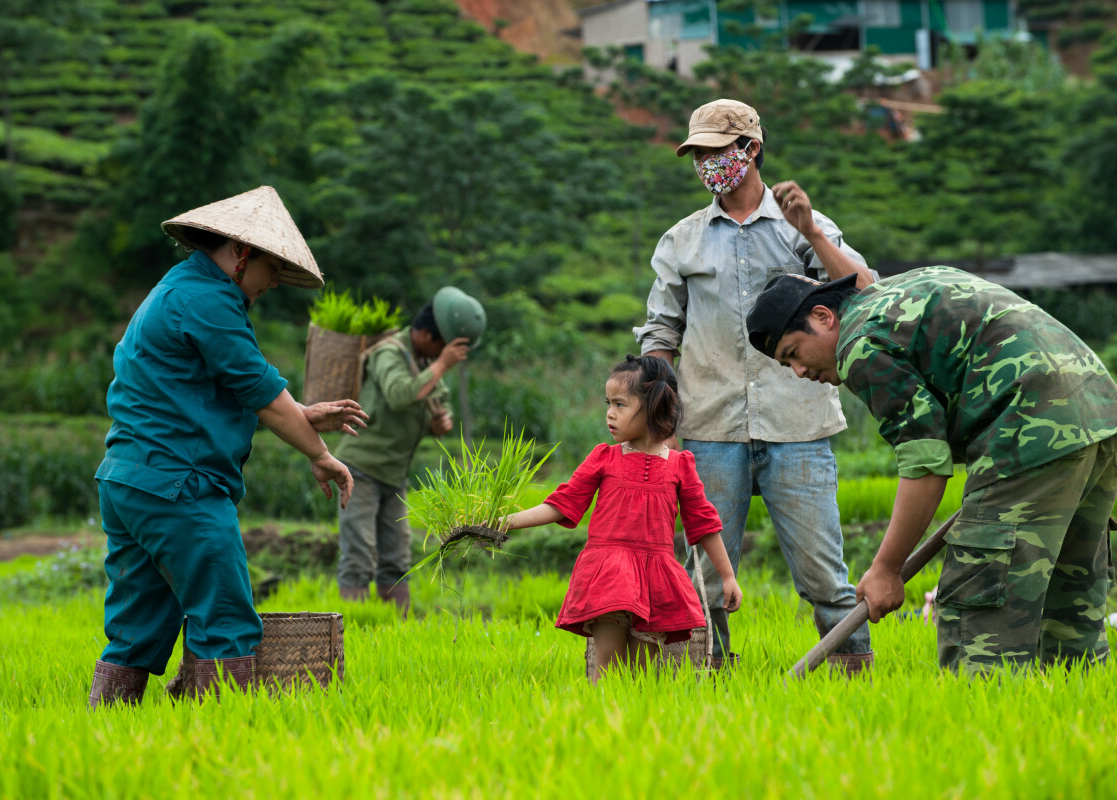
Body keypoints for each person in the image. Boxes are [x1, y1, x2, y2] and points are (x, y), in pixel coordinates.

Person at [747, 266, 1117, 673]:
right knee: (1070, 603)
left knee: (979, 616)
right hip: (1098, 413)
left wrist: (886, 569)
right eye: (787, 367)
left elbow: (926, 464)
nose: (800, 372)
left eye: (793, 354)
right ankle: (1071, 716)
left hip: (1028, 429)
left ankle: (986, 729)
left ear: (822, 316)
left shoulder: (860, 345)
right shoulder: (898, 294)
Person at [87, 186, 367, 707]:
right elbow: (261, 393)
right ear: (241, 253)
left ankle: (104, 728)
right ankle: (223, 746)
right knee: (226, 618)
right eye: (272, 269)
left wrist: (301, 415)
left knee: (136, 626)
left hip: (130, 480)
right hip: (181, 485)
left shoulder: (177, 288)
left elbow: (207, 392)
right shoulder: (211, 301)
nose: (273, 282)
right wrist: (320, 454)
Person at [634, 98, 877, 674]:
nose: (709, 163)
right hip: (710, 426)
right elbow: (660, 333)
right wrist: (657, 422)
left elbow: (864, 288)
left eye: (720, 151)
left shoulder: (802, 229)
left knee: (823, 573)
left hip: (798, 422)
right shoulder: (681, 241)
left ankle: (853, 678)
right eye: (700, 154)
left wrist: (810, 230)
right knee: (702, 573)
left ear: (751, 150)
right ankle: (704, 673)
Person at [505, 355, 743, 683]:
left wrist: (728, 577)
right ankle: (600, 725)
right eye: (608, 403)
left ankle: (631, 730)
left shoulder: (679, 465)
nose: (609, 413)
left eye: (620, 404)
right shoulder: (604, 458)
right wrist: (507, 521)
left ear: (654, 407)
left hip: (656, 578)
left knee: (640, 677)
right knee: (605, 669)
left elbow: (704, 523)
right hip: (609, 575)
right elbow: (563, 503)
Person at [334, 287, 485, 614]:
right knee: (359, 555)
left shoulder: (424, 361)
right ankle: (353, 629)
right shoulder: (388, 353)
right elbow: (400, 394)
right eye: (444, 349)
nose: (442, 356)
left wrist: (439, 424)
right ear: (428, 335)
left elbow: (436, 402)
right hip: (359, 468)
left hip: (394, 474)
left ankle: (396, 630)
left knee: (398, 558)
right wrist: (443, 364)